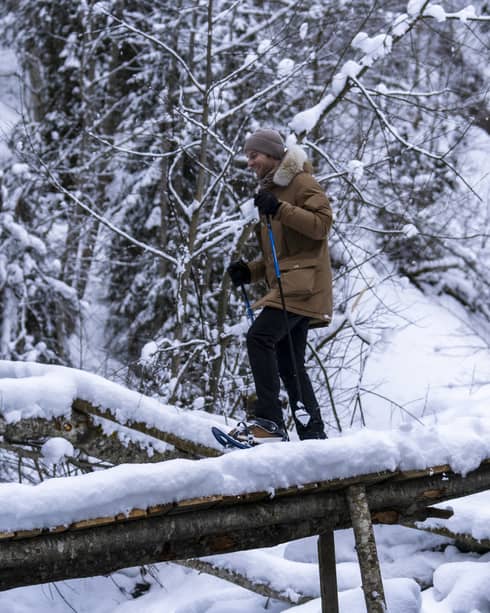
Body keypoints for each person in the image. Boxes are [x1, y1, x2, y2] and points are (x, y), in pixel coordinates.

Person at [227, 128, 333, 444]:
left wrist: (280, 209)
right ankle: (312, 434)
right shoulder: (272, 194)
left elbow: (322, 225)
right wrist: (250, 272)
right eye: (248, 156)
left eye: (254, 155)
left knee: (259, 337)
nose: (250, 162)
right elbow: (278, 256)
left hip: (303, 287)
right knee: (289, 362)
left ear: (273, 155)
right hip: (291, 284)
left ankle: (269, 424)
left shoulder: (300, 182)